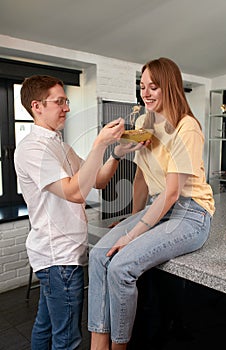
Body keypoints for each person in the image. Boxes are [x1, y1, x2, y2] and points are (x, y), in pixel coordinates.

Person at [87, 57, 215, 350]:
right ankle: (98, 345)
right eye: (142, 87)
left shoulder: (187, 128)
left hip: (191, 214)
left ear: (169, 87)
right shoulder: (145, 123)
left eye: (153, 87)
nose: (145, 93)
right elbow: (141, 179)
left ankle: (119, 347)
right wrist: (133, 220)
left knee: (121, 267)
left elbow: (172, 193)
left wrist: (133, 235)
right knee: (98, 256)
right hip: (158, 210)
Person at [14, 75, 147, 350]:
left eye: (67, 100)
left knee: (46, 326)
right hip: (58, 257)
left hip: (63, 254)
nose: (67, 107)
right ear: (37, 106)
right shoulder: (32, 149)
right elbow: (75, 192)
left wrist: (117, 153)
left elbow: (96, 179)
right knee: (68, 339)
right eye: (59, 101)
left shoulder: (59, 145)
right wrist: (99, 142)